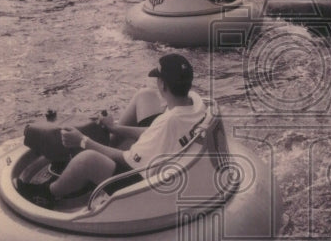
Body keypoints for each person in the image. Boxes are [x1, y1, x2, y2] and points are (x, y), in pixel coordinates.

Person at [16, 54, 207, 207]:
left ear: (163, 85)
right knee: (144, 95)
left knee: (87, 158)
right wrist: (115, 127)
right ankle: (106, 142)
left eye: (158, 79)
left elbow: (128, 159)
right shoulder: (194, 102)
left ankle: (48, 193)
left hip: (142, 185)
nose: (157, 84)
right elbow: (153, 133)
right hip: (165, 152)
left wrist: (82, 141)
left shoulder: (169, 123)